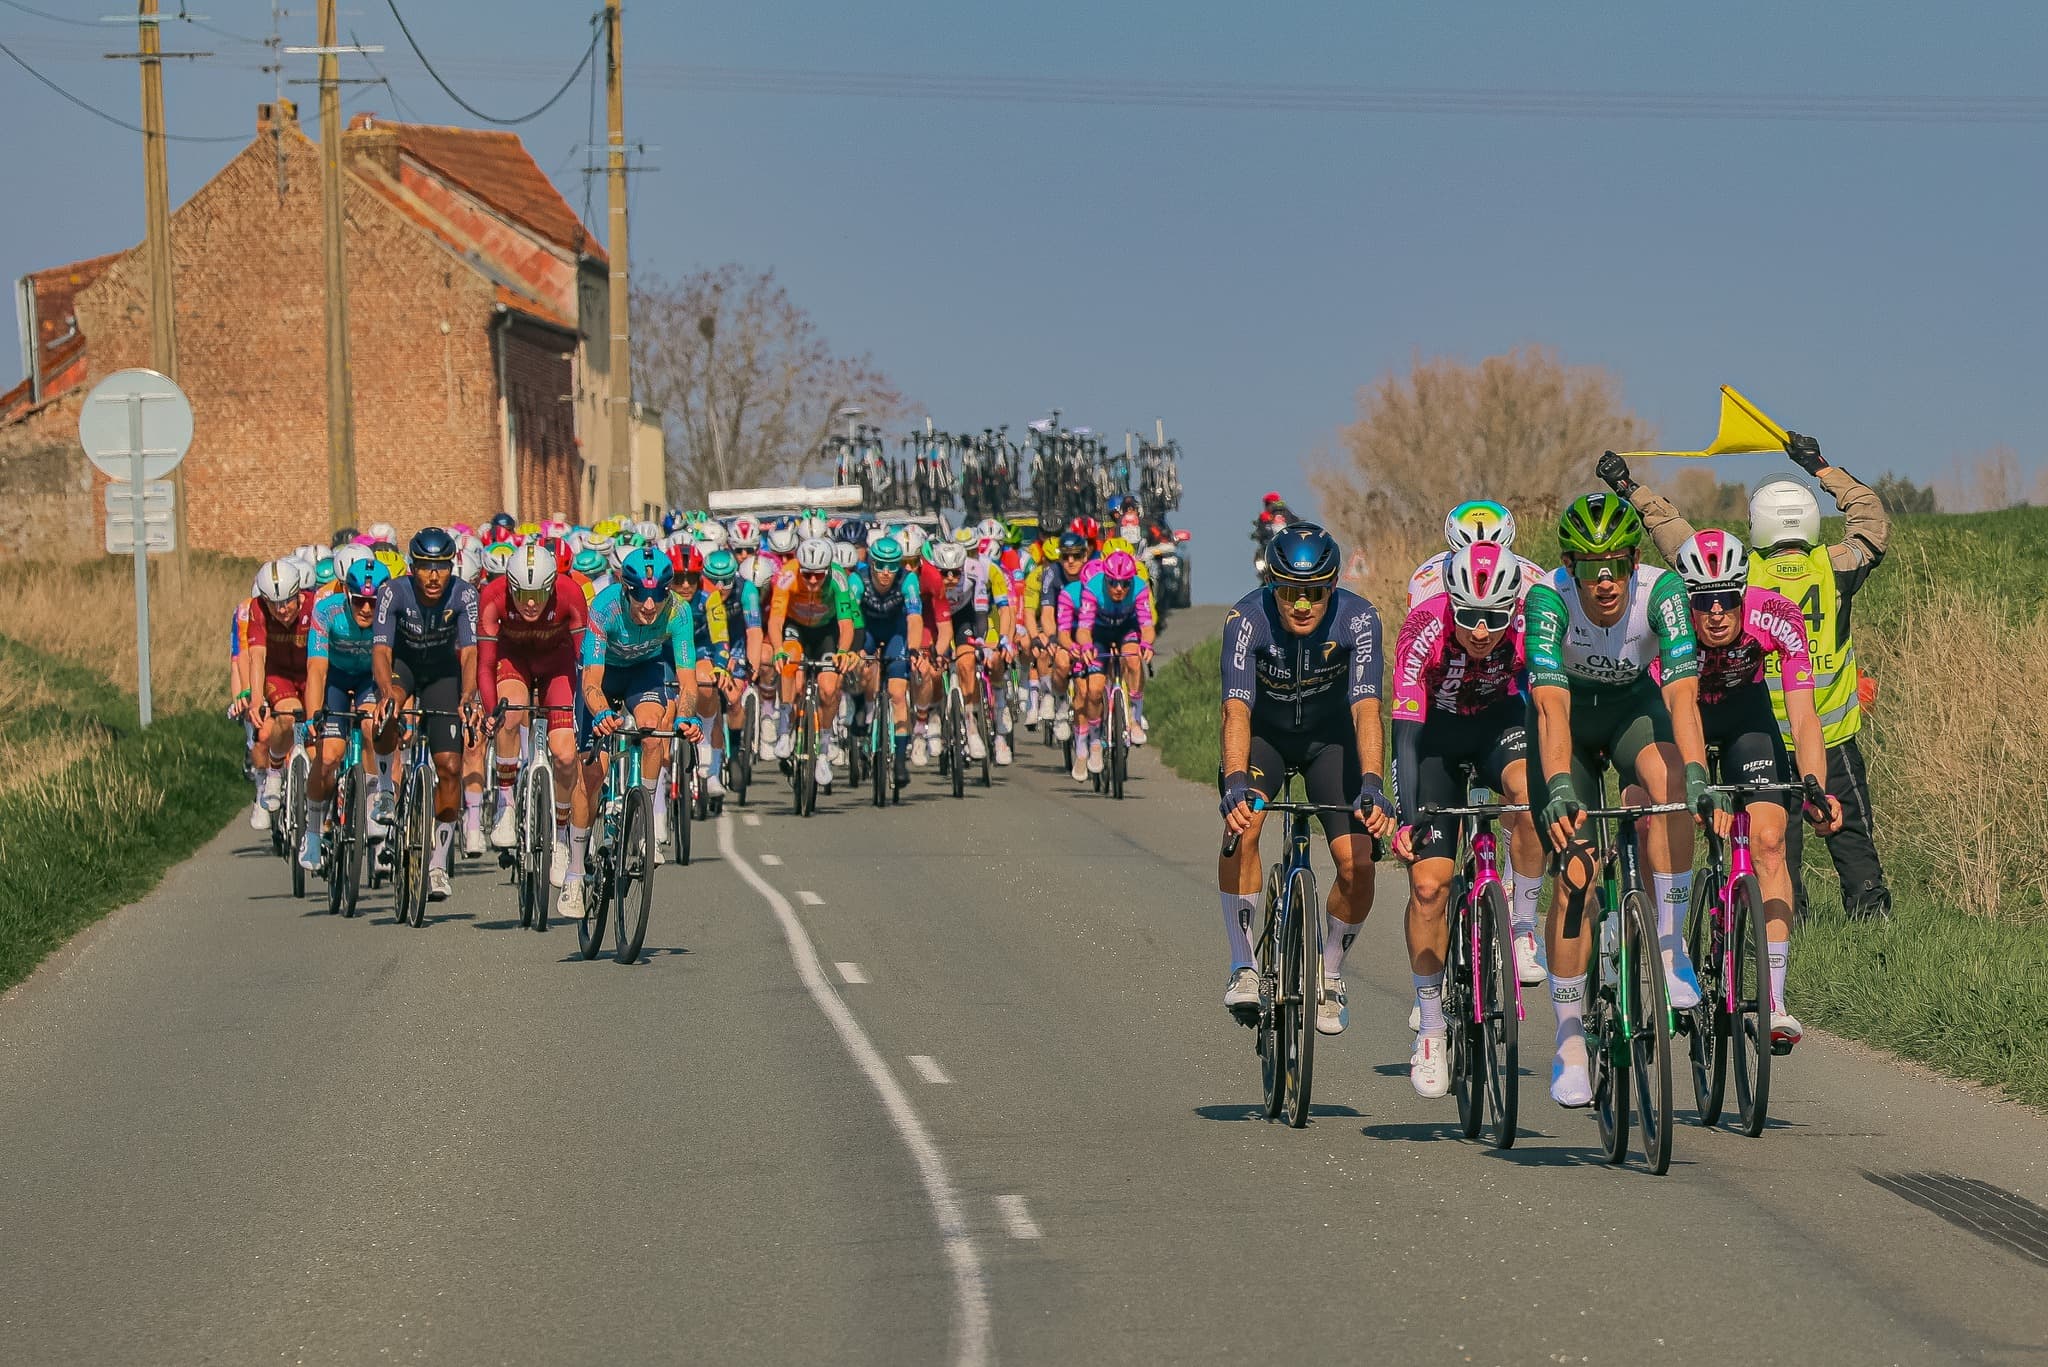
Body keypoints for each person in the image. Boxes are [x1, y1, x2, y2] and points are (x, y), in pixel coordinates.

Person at [1600, 434, 1892, 920]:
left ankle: (1785, 917)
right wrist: (1821, 467)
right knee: (1850, 831)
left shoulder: (1739, 574)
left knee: (1775, 842)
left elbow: (1678, 539)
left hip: (1757, 722)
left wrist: (1630, 488)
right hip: (1828, 728)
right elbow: (1871, 525)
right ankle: (1871, 916)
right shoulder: (1833, 567)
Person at [1524, 492, 1717, 1107]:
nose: (1604, 580)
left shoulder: (1663, 594)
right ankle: (1571, 1040)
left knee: (1669, 788)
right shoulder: (1547, 600)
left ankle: (1670, 943)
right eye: (1589, 566)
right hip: (1570, 732)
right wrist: (1557, 785)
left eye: (1617, 563)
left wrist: (1696, 773)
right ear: (1569, 565)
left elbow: (1683, 698)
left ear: (1636, 561)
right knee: (1575, 875)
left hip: (1635, 711)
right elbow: (1551, 708)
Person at [1666, 529, 1844, 1050]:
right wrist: (1702, 789)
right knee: (1672, 815)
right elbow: (1676, 711)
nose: (1716, 613)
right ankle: (1667, 949)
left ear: (1744, 593)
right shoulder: (1669, 623)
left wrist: (1816, 787)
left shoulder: (1777, 616)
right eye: (1704, 601)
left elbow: (1804, 716)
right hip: (1683, 714)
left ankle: (1773, 999)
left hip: (1747, 718)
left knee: (1769, 841)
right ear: (1688, 600)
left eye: (1727, 600)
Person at [1218, 523, 1397, 1035]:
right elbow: (1235, 712)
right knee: (1244, 823)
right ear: (1272, 586)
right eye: (1289, 592)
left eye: (1315, 592)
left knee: (1356, 861)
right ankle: (1243, 967)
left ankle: (1331, 973)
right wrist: (1234, 781)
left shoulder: (1359, 618)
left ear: (1333, 587)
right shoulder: (1245, 620)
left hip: (1331, 742)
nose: (1302, 605)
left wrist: (1371, 782)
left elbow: (1366, 711)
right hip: (1264, 740)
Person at [1389, 541, 1543, 1097]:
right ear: (1450, 601)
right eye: (1470, 617)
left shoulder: (1529, 625)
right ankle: (1431, 1026)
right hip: (1432, 739)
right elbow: (1404, 734)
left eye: (1495, 618)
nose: (1482, 632)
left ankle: (1523, 927)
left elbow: (1552, 700)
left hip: (1500, 724)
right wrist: (1407, 820)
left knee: (1528, 795)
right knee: (1429, 888)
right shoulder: (1422, 629)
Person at [372, 527, 483, 904]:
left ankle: (436, 863)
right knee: (386, 712)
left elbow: (469, 652)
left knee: (451, 766)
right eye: (425, 567)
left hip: (441, 674)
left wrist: (468, 693)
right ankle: (386, 790)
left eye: (441, 567)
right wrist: (387, 692)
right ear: (412, 567)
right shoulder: (393, 592)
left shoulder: (465, 594)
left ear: (451, 567)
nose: (433, 576)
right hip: (402, 668)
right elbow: (382, 651)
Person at [476, 542, 589, 895]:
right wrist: (492, 711)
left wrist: (586, 715)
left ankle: (561, 836)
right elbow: (484, 664)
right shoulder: (492, 596)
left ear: (552, 585)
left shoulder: (571, 595)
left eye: (539, 593)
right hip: (513, 660)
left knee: (566, 754)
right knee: (510, 712)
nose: (529, 602)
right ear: (509, 586)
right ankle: (506, 805)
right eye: (522, 593)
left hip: (557, 664)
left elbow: (585, 663)